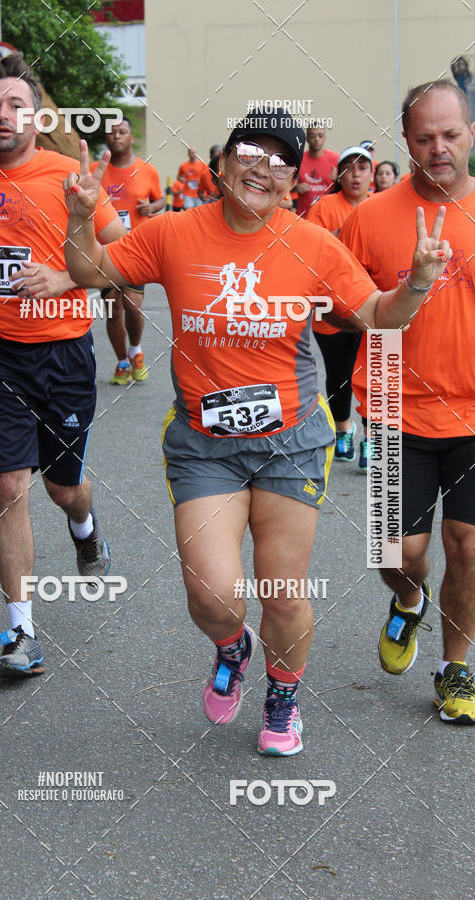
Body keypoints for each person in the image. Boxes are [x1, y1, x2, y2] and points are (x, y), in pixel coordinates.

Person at [62, 110, 450, 755]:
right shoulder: (173, 232)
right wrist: (80, 216)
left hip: (290, 441)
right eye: (249, 152)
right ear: (223, 163)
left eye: (278, 162)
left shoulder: (315, 246)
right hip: (204, 444)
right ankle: (230, 646)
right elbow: (91, 272)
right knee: (212, 593)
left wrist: (415, 283)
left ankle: (283, 692)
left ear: (295, 182)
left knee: (282, 589)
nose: (260, 168)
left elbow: (379, 315)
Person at [0, 53, 123, 681]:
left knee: (62, 486)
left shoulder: (66, 175)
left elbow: (121, 261)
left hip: (64, 353)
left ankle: (85, 524)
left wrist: (67, 273)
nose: (4, 114)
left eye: (17, 104)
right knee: (6, 487)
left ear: (38, 114)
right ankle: (22, 631)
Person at [340, 79, 475, 723]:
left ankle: (456, 670)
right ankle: (408, 602)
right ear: (407, 142)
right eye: (425, 138)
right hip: (396, 409)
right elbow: (344, 312)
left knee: (469, 545)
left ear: (471, 132)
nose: (439, 148)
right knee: (401, 556)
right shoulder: (368, 220)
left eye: (451, 134)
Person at [307, 145, 373, 468]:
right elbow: (310, 251)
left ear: (371, 175)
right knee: (340, 372)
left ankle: (372, 436)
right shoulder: (325, 206)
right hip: (330, 307)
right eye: (349, 167)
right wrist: (345, 234)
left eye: (363, 168)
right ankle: (344, 428)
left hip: (372, 306)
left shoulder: (381, 207)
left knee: (376, 372)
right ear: (339, 174)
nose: (356, 174)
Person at [92, 116, 164, 384]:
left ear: (132, 138)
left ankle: (136, 349)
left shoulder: (147, 171)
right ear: (106, 138)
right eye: (112, 132)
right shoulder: (95, 170)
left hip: (137, 248)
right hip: (106, 250)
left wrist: (151, 208)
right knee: (112, 307)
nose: (117, 136)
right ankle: (122, 362)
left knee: (133, 305)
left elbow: (159, 202)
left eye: (122, 131)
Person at [294, 124, 339, 217]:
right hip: (304, 216)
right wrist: (297, 187)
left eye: (320, 135)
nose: (317, 139)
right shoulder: (299, 159)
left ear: (325, 138)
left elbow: (345, 189)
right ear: (307, 139)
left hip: (329, 215)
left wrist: (338, 181)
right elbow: (287, 187)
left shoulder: (336, 159)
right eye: (313, 136)